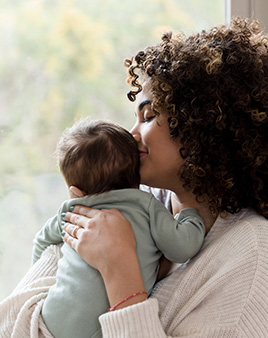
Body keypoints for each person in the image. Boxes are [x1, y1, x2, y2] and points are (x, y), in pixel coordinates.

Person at [0, 16, 268, 338]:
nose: (131, 134)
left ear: (203, 125)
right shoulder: (131, 199)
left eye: (148, 116)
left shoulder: (255, 251)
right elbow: (12, 325)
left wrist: (120, 270)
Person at [32, 118, 205, 338]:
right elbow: (182, 248)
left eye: (148, 116)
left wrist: (45, 285)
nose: (135, 132)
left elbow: (41, 242)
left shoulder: (71, 210)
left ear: (76, 191)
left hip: (53, 318)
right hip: (110, 325)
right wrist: (190, 215)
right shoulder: (146, 205)